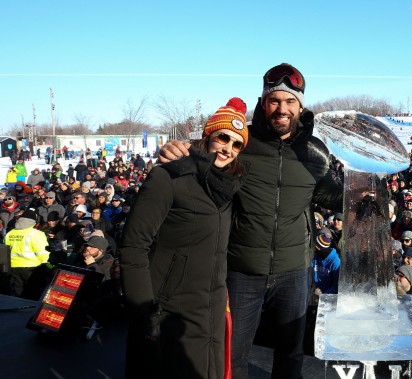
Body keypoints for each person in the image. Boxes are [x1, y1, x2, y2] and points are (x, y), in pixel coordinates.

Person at [158, 63, 342, 379]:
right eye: (274, 100)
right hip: (241, 269)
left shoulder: (315, 153)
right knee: (231, 354)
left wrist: (369, 193)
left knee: (290, 356)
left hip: (294, 271)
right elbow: (206, 150)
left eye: (289, 101)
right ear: (263, 102)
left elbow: (338, 198)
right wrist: (178, 150)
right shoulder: (243, 141)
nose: (281, 109)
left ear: (300, 105)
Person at [120, 98, 249, 379]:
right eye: (223, 137)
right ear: (207, 136)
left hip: (211, 308)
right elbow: (133, 248)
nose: (228, 148)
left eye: (236, 144)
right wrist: (144, 311)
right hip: (169, 308)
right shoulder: (169, 177)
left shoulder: (231, 189)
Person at [3, 208, 49, 299]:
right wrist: (46, 265)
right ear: (33, 222)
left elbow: (5, 251)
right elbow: (42, 253)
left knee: (17, 294)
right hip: (32, 268)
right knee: (32, 294)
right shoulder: (37, 234)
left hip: (13, 267)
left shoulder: (10, 233)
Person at [311, 227, 340, 295]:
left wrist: (323, 294)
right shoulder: (316, 255)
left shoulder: (335, 262)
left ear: (321, 249)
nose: (313, 250)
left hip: (326, 297)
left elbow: (337, 286)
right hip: (313, 291)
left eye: (315, 248)